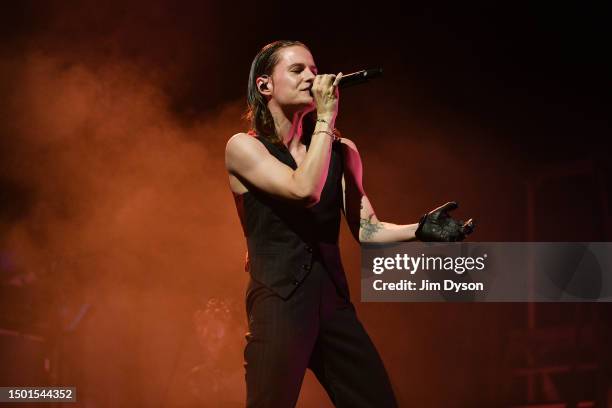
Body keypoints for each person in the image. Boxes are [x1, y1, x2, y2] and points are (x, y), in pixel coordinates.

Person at [225, 40, 474, 408]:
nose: (312, 76)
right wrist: (326, 119)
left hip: (332, 305)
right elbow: (303, 189)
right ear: (265, 86)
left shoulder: (342, 151)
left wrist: (417, 229)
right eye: (297, 70)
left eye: (314, 68)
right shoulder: (244, 149)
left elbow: (367, 229)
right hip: (277, 300)